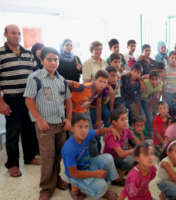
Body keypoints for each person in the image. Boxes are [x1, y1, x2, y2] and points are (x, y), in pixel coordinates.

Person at [24, 47, 72, 200]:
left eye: (55, 59)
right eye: (49, 59)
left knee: (58, 156)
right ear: (42, 60)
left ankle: (56, 179)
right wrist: (39, 120)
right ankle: (46, 188)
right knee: (47, 157)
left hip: (60, 124)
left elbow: (68, 101)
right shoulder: (35, 78)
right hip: (45, 125)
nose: (53, 62)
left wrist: (68, 119)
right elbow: (29, 100)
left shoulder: (61, 80)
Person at [0, 24, 39, 177]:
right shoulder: (1, 54)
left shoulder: (28, 54)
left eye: (18, 33)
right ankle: (13, 164)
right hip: (11, 99)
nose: (17, 36)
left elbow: (35, 75)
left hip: (28, 99)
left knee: (28, 130)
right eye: (13, 33)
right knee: (13, 133)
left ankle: (29, 157)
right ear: (5, 34)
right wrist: (1, 103)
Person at [61, 114, 119, 200]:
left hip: (87, 164)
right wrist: (95, 173)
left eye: (86, 126)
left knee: (108, 158)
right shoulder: (69, 148)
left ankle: (104, 184)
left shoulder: (86, 135)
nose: (84, 130)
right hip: (75, 174)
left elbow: (99, 131)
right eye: (80, 127)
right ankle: (75, 189)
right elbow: (73, 173)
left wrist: (110, 129)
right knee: (101, 187)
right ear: (72, 128)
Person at [68, 70, 114, 156]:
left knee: (91, 137)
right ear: (94, 80)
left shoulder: (99, 89)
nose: (102, 84)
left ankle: (94, 157)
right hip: (73, 113)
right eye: (100, 81)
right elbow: (66, 82)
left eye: (105, 82)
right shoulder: (84, 87)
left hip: (84, 111)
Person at [103, 106, 141, 186]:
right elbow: (121, 154)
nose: (125, 122)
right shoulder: (111, 135)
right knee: (130, 160)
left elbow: (134, 138)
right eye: (122, 119)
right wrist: (135, 150)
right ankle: (117, 180)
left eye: (126, 118)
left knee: (138, 156)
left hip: (119, 155)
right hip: (111, 159)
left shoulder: (125, 129)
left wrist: (140, 146)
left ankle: (121, 170)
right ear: (114, 123)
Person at [141, 70, 163, 137]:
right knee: (144, 116)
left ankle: (150, 133)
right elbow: (140, 78)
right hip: (139, 98)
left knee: (150, 117)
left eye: (156, 79)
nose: (154, 81)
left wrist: (150, 106)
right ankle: (147, 133)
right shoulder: (146, 82)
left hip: (146, 99)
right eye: (152, 79)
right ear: (149, 79)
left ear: (160, 79)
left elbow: (155, 95)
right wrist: (144, 77)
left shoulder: (160, 84)